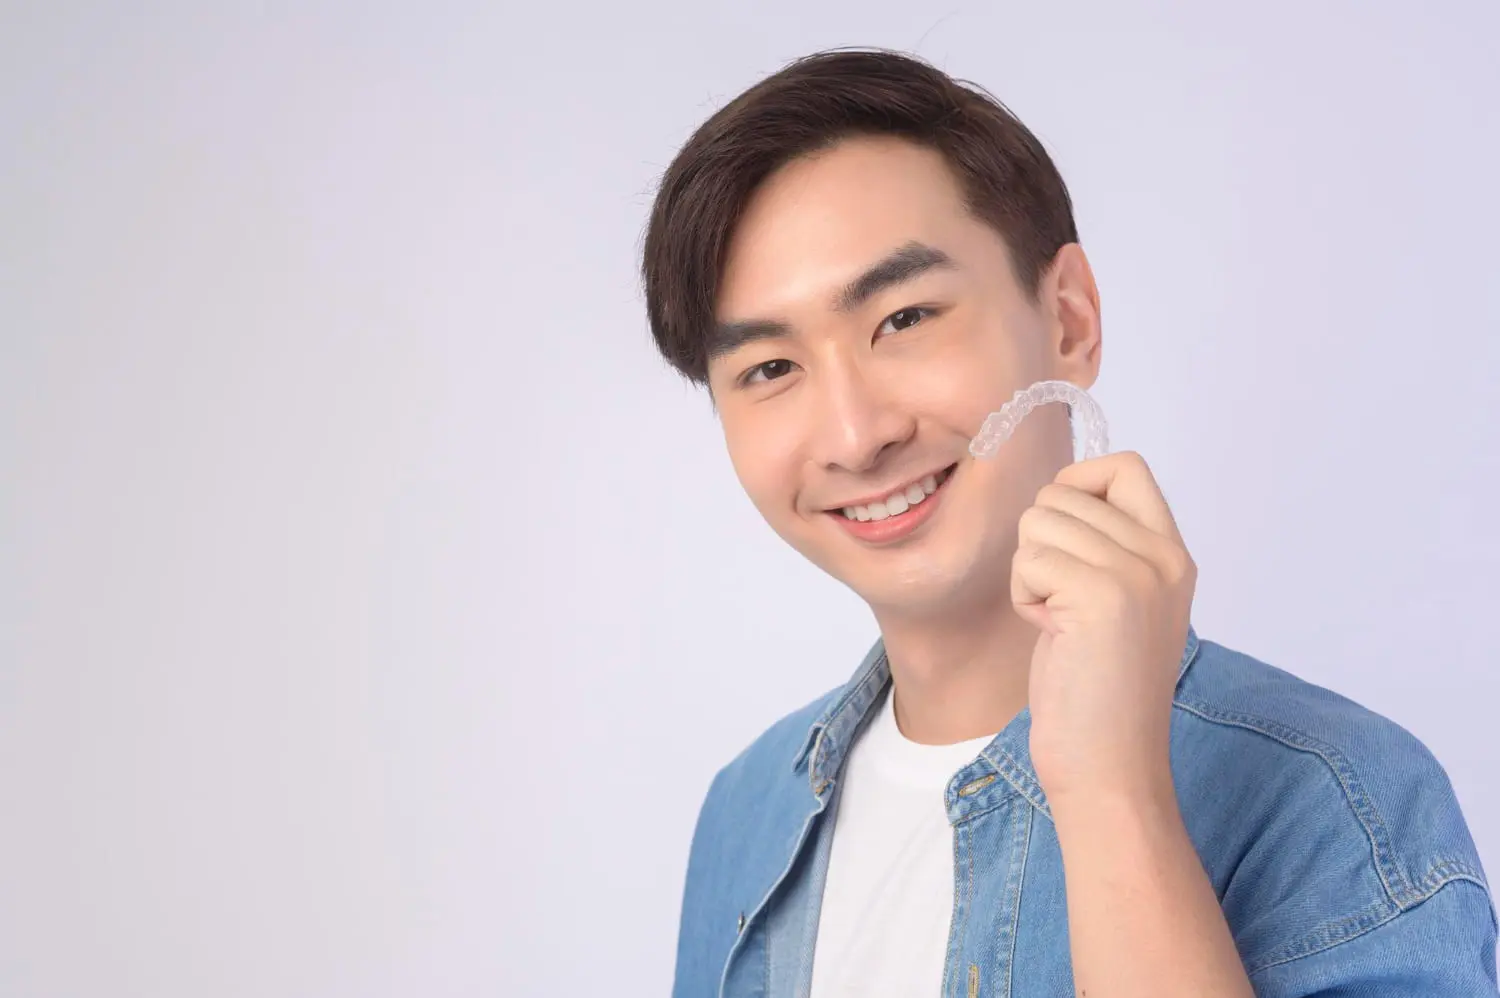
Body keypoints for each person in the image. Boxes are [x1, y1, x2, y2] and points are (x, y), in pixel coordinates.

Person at [640, 48, 1497, 997]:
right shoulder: (745, 814)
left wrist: (1110, 793)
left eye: (905, 318)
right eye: (768, 369)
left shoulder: (1334, 800)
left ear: (1070, 322)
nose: (854, 435)